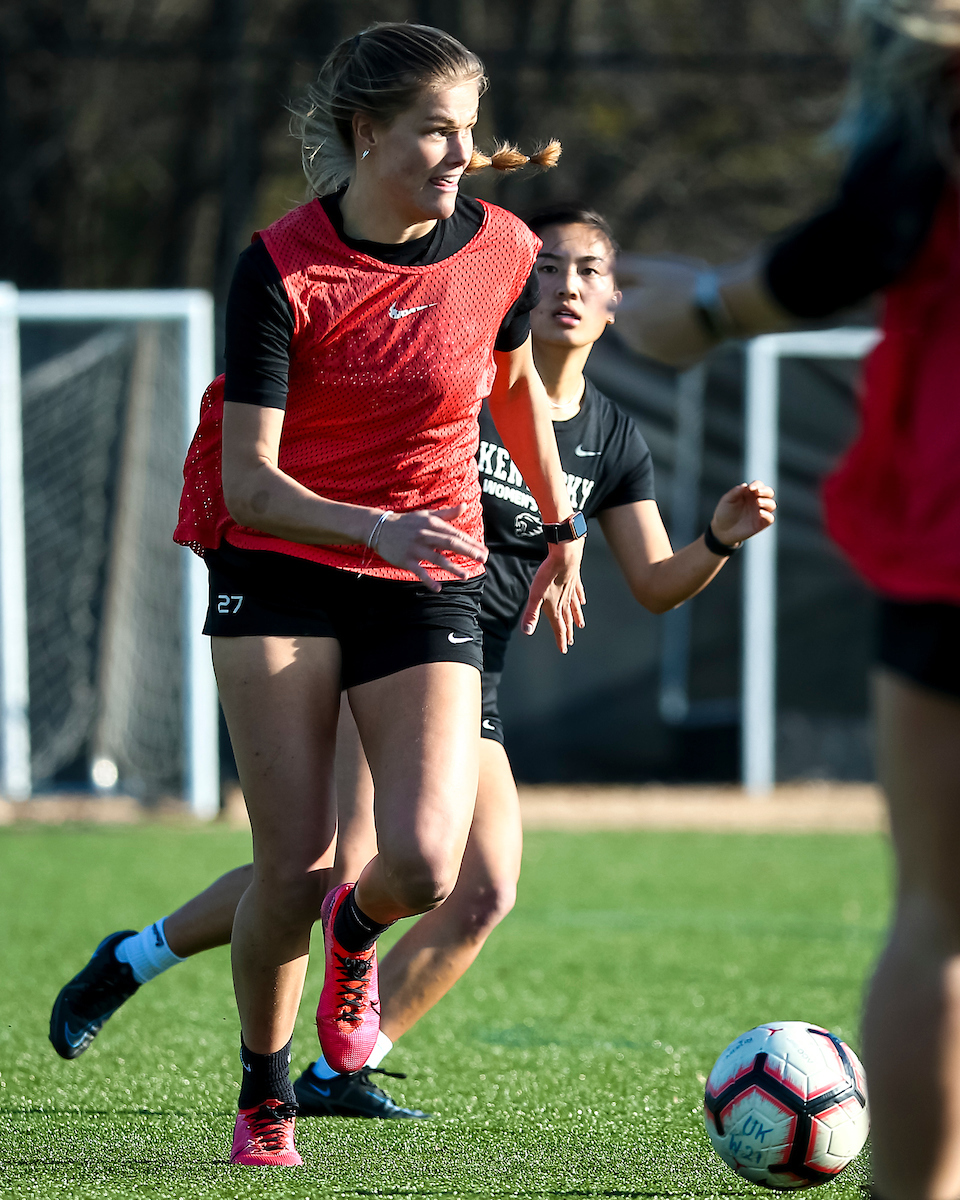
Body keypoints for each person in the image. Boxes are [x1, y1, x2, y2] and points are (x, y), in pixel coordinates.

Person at [49, 202, 776, 1121]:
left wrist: (716, 535)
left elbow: (660, 583)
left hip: (475, 668)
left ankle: (330, 1065)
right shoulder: (454, 385)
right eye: (546, 266)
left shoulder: (611, 440)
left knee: (480, 890)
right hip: (391, 637)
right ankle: (148, 967)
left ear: (616, 301)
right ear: (513, 281)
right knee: (330, 867)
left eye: (588, 270)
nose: (564, 284)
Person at [49, 22, 592, 1170]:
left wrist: (558, 527)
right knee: (294, 865)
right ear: (366, 133)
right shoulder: (282, 267)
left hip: (420, 564)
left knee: (427, 867)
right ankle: (266, 1092)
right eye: (434, 130)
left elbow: (513, 391)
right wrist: (371, 526)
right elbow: (251, 482)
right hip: (279, 558)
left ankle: (357, 937)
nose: (459, 151)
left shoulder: (499, 247)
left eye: (466, 128)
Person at [610, 3, 960, 1197]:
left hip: (951, 533)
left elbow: (871, 231)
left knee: (941, 918)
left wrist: (707, 308)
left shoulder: (931, 110)